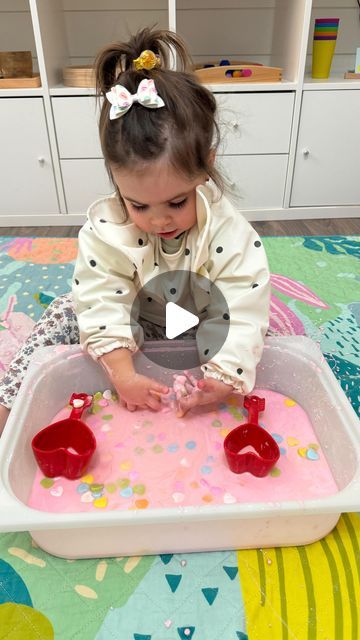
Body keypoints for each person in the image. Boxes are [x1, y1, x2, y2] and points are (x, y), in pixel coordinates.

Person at [0, 27, 270, 434]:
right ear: (116, 179)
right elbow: (103, 294)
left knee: (264, 329)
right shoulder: (107, 227)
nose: (159, 220)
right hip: (133, 319)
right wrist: (121, 372)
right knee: (63, 311)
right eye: (139, 204)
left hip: (190, 321)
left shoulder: (227, 230)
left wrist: (225, 373)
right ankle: (9, 409)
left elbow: (241, 298)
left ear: (206, 166)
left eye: (177, 202)